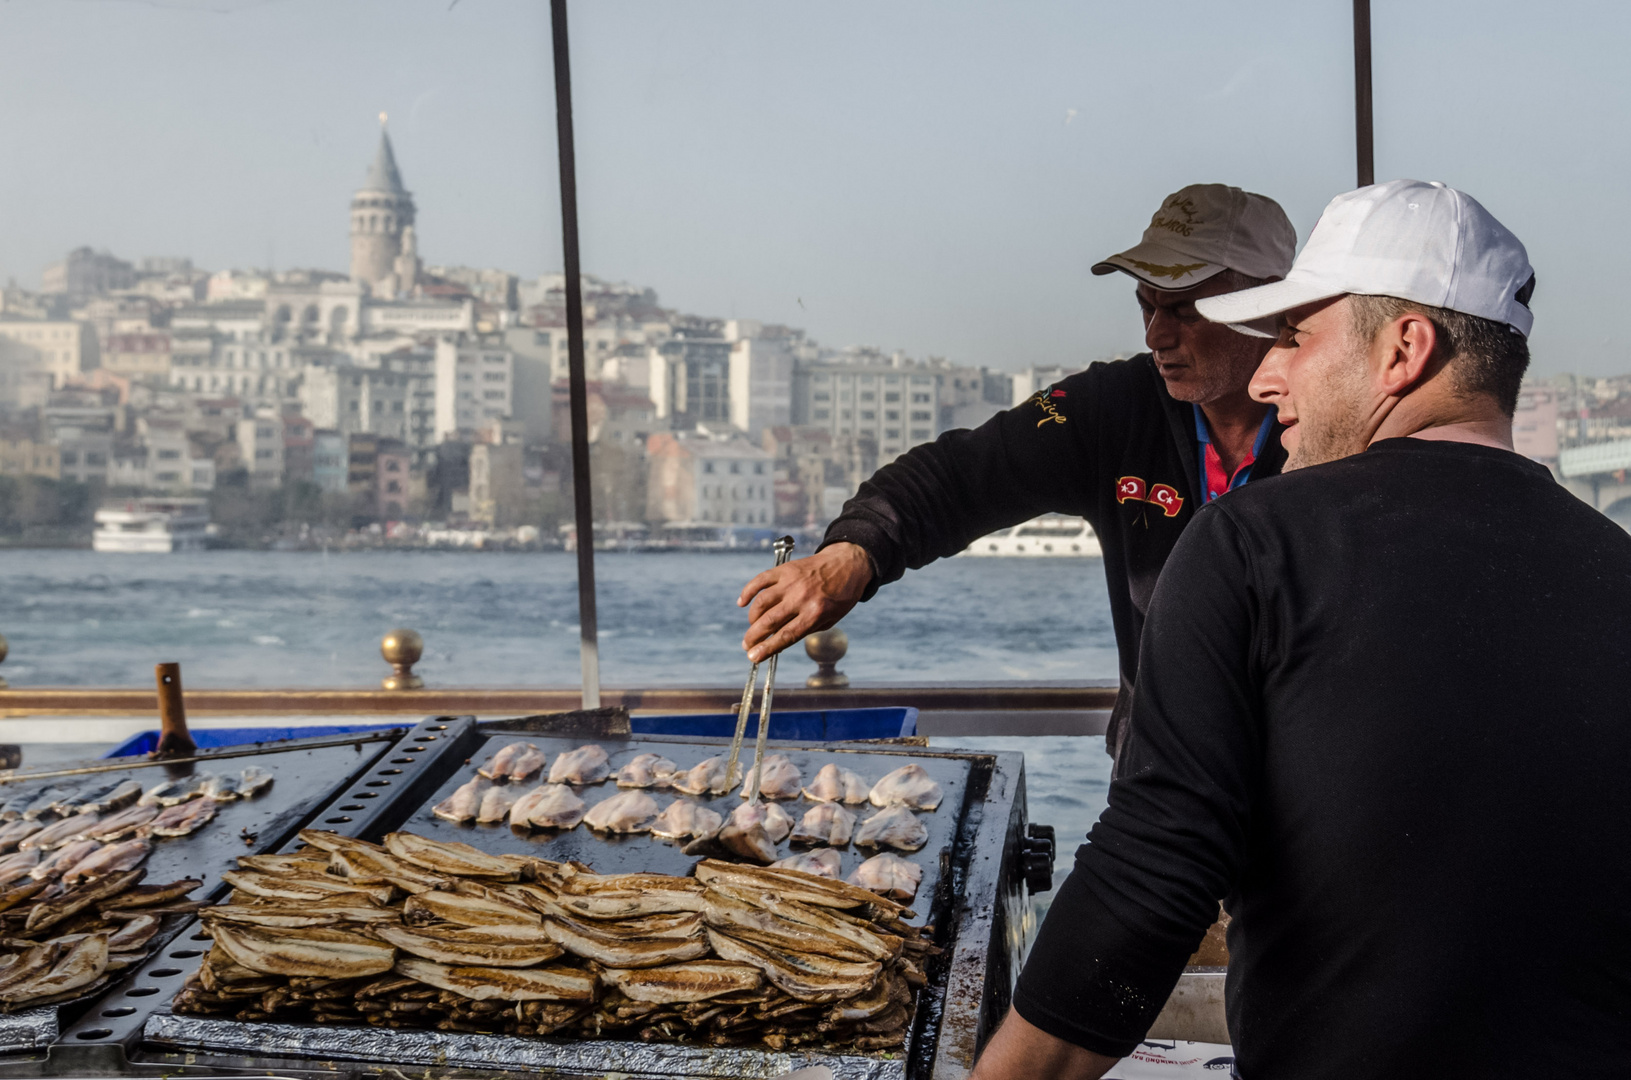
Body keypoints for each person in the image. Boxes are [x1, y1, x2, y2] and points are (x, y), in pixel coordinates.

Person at [975, 180, 1631, 1080]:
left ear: (1404, 349)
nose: (1265, 373)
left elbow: (1155, 865)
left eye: (1294, 335)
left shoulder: (1251, 544)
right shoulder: (1616, 570)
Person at [738, 184, 1297, 758]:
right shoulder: (1114, 406)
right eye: (1146, 306)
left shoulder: (1335, 421)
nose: (1155, 335)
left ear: (1262, 304)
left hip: (1302, 782)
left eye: (1181, 309)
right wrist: (853, 552)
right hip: (1159, 781)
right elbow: (961, 474)